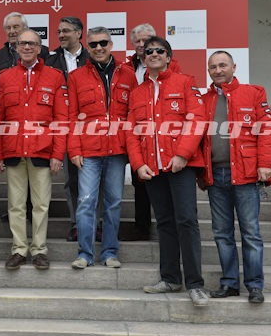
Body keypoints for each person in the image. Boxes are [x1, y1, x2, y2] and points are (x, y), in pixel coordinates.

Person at [126, 36, 208, 306]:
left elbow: (197, 120)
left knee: (187, 221)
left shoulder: (185, 82)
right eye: (148, 51)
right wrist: (138, 164)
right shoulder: (137, 92)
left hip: (181, 166)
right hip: (153, 168)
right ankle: (170, 278)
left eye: (159, 51)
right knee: (164, 223)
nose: (154, 54)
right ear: (143, 58)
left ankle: (195, 284)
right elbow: (132, 133)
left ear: (168, 57)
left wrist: (183, 154)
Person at [199, 50, 271, 304]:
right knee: (222, 233)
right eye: (213, 67)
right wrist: (200, 172)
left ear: (234, 67)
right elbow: (198, 138)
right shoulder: (204, 100)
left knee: (250, 232)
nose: (218, 70)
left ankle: (254, 286)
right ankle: (229, 284)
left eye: (223, 65)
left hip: (245, 175)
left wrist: (265, 164)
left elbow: (266, 130)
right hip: (215, 177)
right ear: (208, 71)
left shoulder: (253, 93)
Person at [0, 29, 67, 271]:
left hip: (42, 151)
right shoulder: (5, 77)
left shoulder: (54, 76)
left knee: (41, 205)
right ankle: (18, 250)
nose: (27, 47)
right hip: (13, 150)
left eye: (32, 44)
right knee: (15, 205)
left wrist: (58, 154)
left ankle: (39, 250)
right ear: (16, 47)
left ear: (39, 48)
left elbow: (61, 118)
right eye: (23, 43)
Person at [67, 26, 137, 270]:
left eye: (103, 43)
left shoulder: (128, 75)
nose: (99, 48)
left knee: (114, 202)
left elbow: (133, 115)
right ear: (87, 47)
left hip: (117, 150)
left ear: (111, 45)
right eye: (94, 44)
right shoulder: (76, 76)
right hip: (88, 151)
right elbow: (71, 116)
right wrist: (74, 149)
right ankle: (85, 254)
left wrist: (131, 149)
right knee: (86, 201)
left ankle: (109, 252)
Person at [45, 16, 89, 242]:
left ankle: (94, 223)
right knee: (71, 179)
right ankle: (76, 223)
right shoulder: (50, 61)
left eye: (66, 31)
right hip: (63, 125)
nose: (61, 35)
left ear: (79, 33)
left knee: (94, 178)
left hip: (90, 126)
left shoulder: (92, 57)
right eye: (59, 31)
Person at [123, 23, 156, 241]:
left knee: (161, 182)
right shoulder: (126, 67)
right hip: (134, 129)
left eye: (146, 40)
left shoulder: (170, 64)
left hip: (159, 131)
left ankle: (168, 228)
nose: (142, 44)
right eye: (138, 41)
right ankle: (142, 227)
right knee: (139, 181)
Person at [0, 12, 49, 82]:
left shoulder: (42, 50)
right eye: (8, 28)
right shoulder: (0, 54)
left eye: (15, 27)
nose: (12, 31)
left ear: (26, 28)